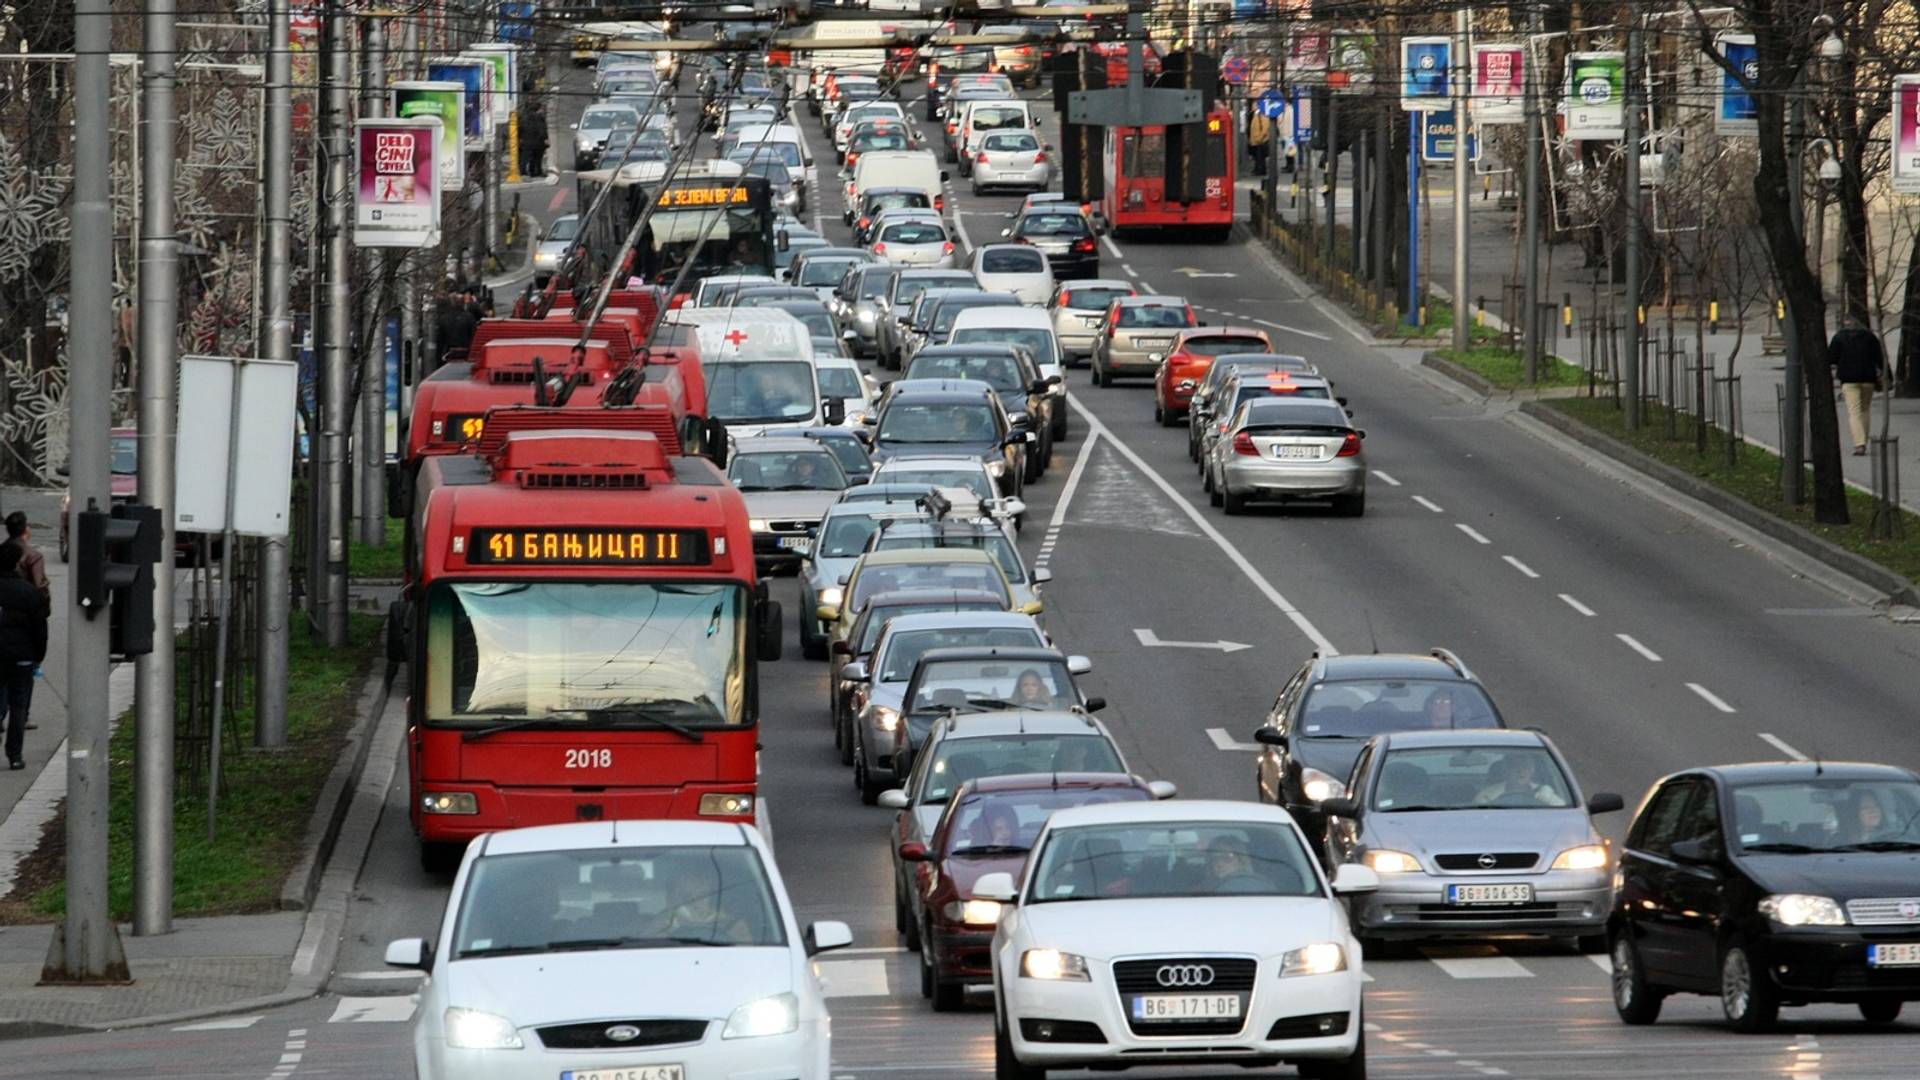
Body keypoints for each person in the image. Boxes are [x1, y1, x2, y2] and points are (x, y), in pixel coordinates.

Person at [0, 544, 48, 771]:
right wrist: (38, 655)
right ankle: (15, 754)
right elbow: (39, 627)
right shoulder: (27, 591)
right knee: (19, 707)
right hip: (22, 657)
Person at [1829, 313, 1888, 455]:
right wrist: (1887, 377)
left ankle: (1859, 444)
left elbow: (1831, 358)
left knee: (1854, 412)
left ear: (1845, 324)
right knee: (1865, 409)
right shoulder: (1869, 337)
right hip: (1868, 379)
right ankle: (1863, 440)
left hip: (1849, 380)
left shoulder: (1839, 338)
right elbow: (1880, 358)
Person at [3, 512, 49, 614]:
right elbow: (40, 586)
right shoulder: (33, 555)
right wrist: (44, 610)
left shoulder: (3, 550)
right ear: (26, 530)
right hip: (25, 611)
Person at [1474, 755, 1555, 806]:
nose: (1521, 771)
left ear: (1532, 770)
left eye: (1526, 767)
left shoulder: (1545, 792)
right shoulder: (1487, 796)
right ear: (1507, 770)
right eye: (1516, 766)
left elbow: (1563, 814)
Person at [521, 104, 549, 178]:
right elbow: (542, 130)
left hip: (526, 140)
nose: (543, 111)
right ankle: (536, 171)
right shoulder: (540, 118)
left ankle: (524, 171)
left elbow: (521, 129)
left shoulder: (524, 118)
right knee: (537, 157)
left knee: (527, 157)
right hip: (537, 141)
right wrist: (545, 139)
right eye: (542, 109)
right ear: (538, 110)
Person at [1247, 108, 1272, 178]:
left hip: (1260, 139)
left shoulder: (1261, 114)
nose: (1252, 106)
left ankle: (1261, 170)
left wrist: (1260, 137)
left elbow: (1265, 127)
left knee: (1260, 156)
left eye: (1254, 104)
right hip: (1256, 139)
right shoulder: (1255, 114)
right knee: (1257, 156)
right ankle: (1258, 169)